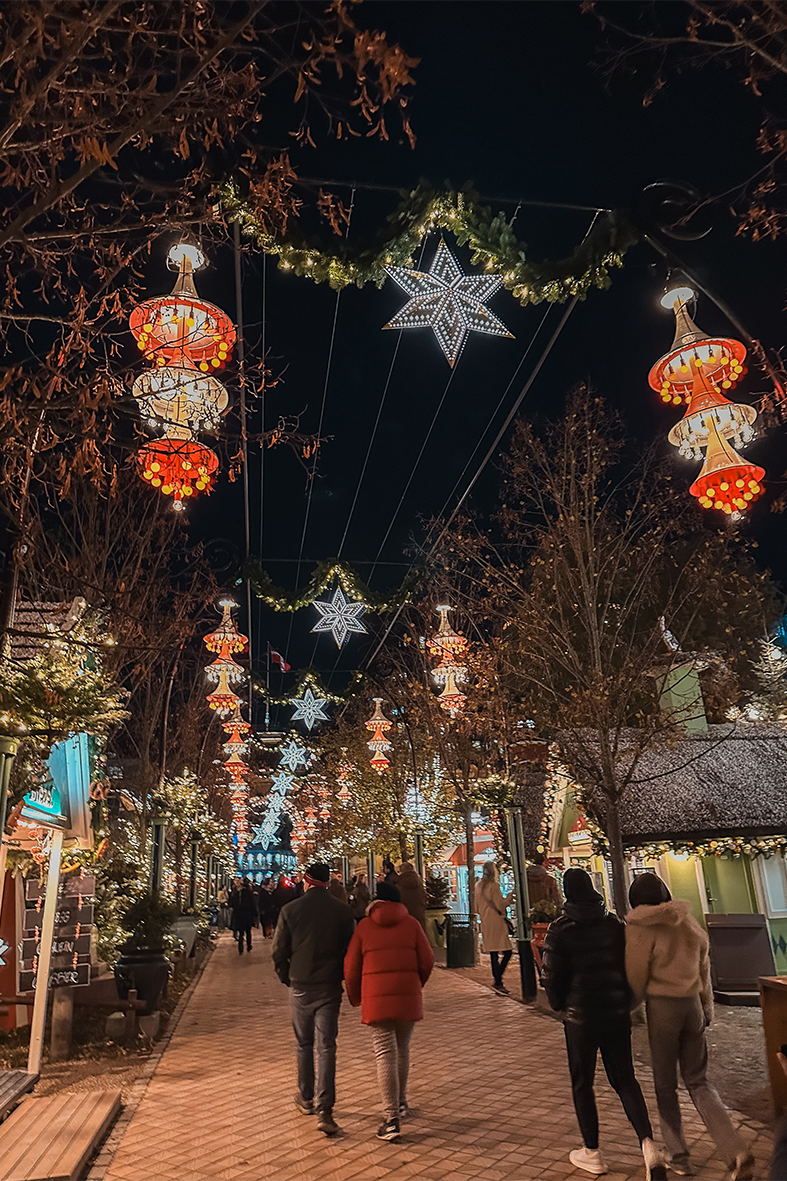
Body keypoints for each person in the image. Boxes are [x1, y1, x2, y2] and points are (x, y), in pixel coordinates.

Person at [626, 873, 755, 1181]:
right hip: (693, 1005)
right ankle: (735, 1150)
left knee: (665, 1086)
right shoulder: (689, 923)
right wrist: (707, 1006)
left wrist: (632, 1008)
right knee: (699, 1081)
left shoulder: (640, 928)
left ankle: (679, 1156)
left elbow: (635, 975)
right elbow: (704, 967)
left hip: (663, 1008)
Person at [542, 868, 666, 1180]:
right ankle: (649, 1145)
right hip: (615, 1012)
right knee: (625, 1079)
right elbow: (629, 964)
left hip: (580, 1016)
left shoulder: (560, 929)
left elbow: (552, 976)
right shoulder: (614, 924)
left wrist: (559, 1005)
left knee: (583, 1083)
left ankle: (592, 1151)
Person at [344, 881, 434, 1142]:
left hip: (377, 1000)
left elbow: (350, 967)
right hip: (407, 997)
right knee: (402, 1049)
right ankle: (402, 1102)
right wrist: (415, 985)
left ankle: (391, 1117)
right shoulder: (412, 925)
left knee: (385, 1053)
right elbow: (427, 961)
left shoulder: (364, 927)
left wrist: (356, 997)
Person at [271, 861, 355, 1137]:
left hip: (301, 984)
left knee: (303, 1043)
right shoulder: (341, 911)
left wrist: (288, 976)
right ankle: (325, 1108)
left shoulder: (290, 910)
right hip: (329, 985)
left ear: (306, 881)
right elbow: (350, 949)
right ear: (328, 882)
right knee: (327, 1046)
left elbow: (279, 951)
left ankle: (306, 1097)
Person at [476, 861, 513, 993]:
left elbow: (476, 906)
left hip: (485, 920)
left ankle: (498, 980)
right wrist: (509, 897)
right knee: (507, 951)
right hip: (496, 920)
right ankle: (498, 979)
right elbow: (500, 904)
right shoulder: (493, 886)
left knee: (493, 952)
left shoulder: (478, 886)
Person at [396, 862, 428, 930]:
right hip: (419, 915)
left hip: (405, 917)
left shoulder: (399, 885)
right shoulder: (419, 883)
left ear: (401, 872)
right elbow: (424, 899)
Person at [232, 878, 256, 955]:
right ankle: (243, 947)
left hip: (244, 915)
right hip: (242, 915)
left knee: (245, 931)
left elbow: (252, 903)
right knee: (244, 931)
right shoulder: (235, 894)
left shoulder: (243, 893)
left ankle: (245, 946)